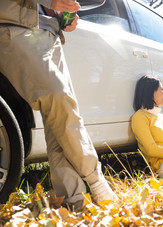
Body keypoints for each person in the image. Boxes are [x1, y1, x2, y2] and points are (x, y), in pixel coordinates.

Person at [0, 0, 115, 207]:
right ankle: (96, 180)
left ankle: (73, 199)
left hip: (50, 33)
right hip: (15, 27)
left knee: (59, 117)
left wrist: (59, 15)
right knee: (58, 97)